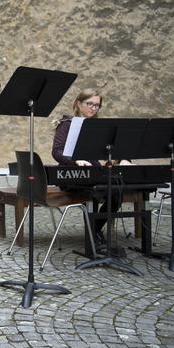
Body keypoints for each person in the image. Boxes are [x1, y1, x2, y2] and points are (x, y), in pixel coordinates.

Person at [51, 89, 131, 248]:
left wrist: (125, 160)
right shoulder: (66, 125)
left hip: (93, 172)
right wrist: (76, 161)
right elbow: (57, 151)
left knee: (117, 191)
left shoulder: (99, 127)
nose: (94, 108)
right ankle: (94, 231)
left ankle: (95, 228)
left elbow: (115, 148)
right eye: (90, 104)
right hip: (71, 173)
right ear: (79, 104)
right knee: (105, 189)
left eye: (97, 105)